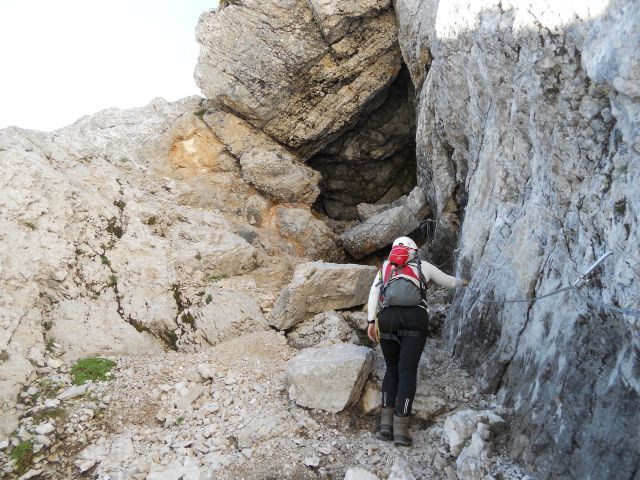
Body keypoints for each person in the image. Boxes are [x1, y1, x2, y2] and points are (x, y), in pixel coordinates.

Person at [366, 236, 468, 446]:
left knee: (391, 369)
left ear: (395, 250)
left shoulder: (385, 267)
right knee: (407, 371)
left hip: (387, 319)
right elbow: (448, 282)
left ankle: (385, 426)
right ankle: (401, 431)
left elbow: (373, 293)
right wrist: (464, 282)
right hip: (415, 318)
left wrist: (370, 321)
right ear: (413, 250)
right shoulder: (423, 266)